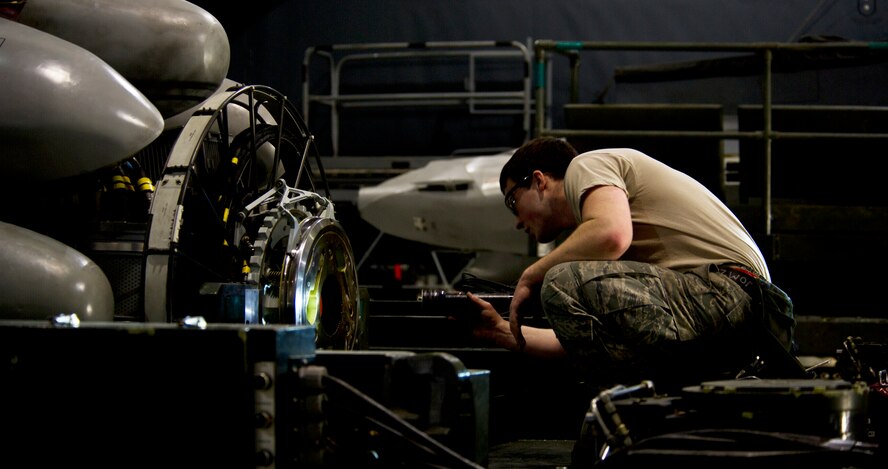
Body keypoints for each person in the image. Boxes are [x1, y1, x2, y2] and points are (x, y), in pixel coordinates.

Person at [465, 137, 800, 391]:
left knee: (559, 280)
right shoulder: (612, 255)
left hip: (731, 296)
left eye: (512, 201)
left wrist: (530, 275)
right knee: (566, 285)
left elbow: (611, 235)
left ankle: (636, 410)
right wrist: (500, 331)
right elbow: (584, 340)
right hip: (748, 320)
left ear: (539, 181)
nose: (517, 222)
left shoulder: (586, 166)